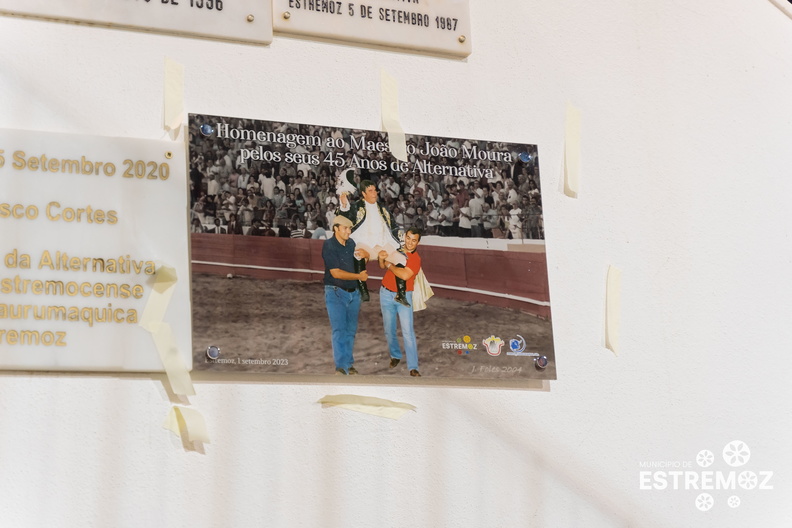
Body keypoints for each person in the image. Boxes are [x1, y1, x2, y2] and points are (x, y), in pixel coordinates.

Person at [339, 177, 409, 306]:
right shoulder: (357, 207)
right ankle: (363, 289)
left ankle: (401, 294)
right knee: (358, 254)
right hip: (366, 244)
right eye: (370, 191)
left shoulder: (383, 208)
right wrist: (344, 205)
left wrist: (400, 238)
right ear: (364, 194)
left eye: (375, 190)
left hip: (384, 243)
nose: (374, 193)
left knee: (401, 259)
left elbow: (393, 225)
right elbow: (345, 216)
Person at [322, 215, 369, 375]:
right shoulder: (329, 245)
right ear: (336, 228)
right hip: (335, 292)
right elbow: (336, 273)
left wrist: (366, 257)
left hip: (352, 293)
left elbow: (357, 264)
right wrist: (359, 277)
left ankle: (348, 364)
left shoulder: (351, 244)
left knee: (350, 331)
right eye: (345, 228)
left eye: (349, 228)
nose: (349, 231)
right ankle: (341, 366)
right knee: (340, 330)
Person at [378, 227, 423, 377]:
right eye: (408, 238)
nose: (410, 242)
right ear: (405, 237)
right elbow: (381, 265)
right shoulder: (395, 249)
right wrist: (382, 258)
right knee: (389, 329)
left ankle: (413, 367)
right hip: (385, 293)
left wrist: (389, 264)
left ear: (418, 242)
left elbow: (404, 275)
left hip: (405, 297)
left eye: (414, 240)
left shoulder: (416, 259)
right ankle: (395, 355)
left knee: (407, 331)